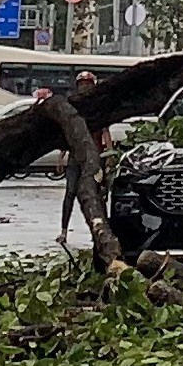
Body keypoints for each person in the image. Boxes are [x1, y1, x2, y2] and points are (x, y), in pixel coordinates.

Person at [58, 72, 111, 245]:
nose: (85, 87)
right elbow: (68, 133)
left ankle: (99, 232)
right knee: (70, 192)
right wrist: (61, 155)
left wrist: (110, 155)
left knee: (96, 195)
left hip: (94, 157)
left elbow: (106, 132)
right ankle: (64, 231)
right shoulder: (73, 107)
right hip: (76, 156)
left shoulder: (99, 108)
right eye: (82, 84)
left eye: (88, 84)